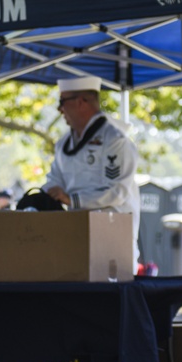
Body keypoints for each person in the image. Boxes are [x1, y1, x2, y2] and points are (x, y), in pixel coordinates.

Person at [42, 76, 141, 270]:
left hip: (112, 237)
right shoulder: (64, 143)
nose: (59, 110)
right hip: (76, 235)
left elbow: (117, 191)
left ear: (81, 102)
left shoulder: (115, 140)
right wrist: (52, 191)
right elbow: (54, 178)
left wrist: (72, 200)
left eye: (62, 102)